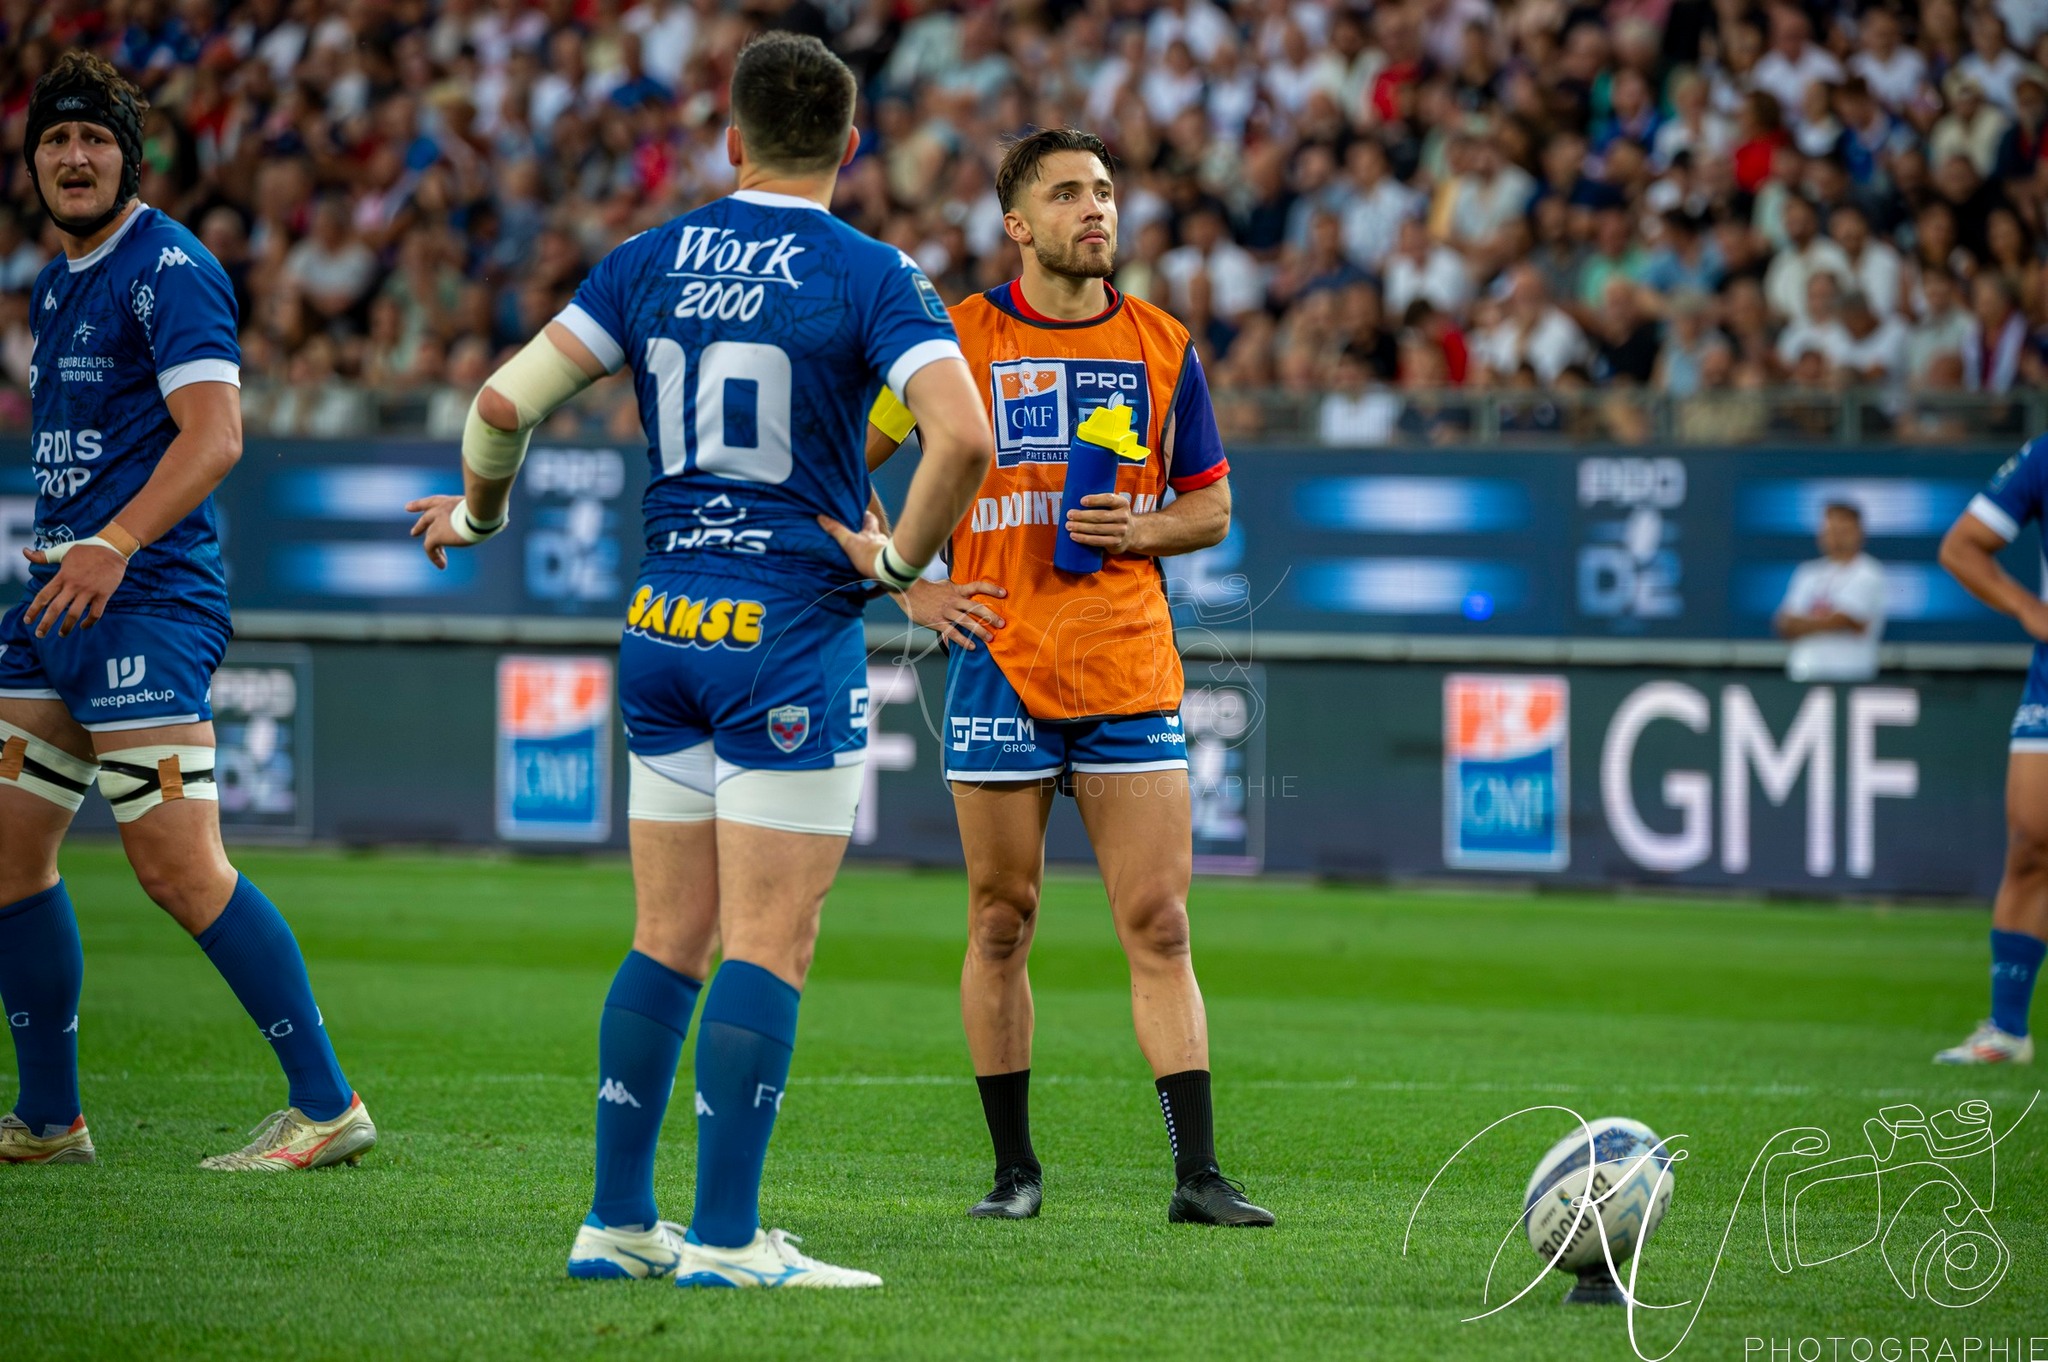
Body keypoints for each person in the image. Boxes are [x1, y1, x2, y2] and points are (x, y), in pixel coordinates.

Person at [408, 33, 991, 1285]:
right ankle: (726, 1241)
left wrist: (475, 519)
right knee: (766, 943)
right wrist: (896, 572)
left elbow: (500, 407)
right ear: (850, 143)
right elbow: (962, 441)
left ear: (727, 140)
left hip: (663, 627)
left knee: (665, 934)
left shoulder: (644, 259)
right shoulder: (874, 271)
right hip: (784, 634)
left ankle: (616, 1222)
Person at [865, 128, 1273, 1228]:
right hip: (997, 666)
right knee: (1001, 921)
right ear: (1016, 224)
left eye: (1102, 190)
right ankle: (1013, 1174)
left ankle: (1196, 1177)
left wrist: (1140, 526)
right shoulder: (950, 342)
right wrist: (905, 584)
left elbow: (1213, 505)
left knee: (1161, 923)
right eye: (1065, 194)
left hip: (1127, 670)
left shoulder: (1162, 344)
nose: (1093, 209)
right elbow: (839, 462)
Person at [0, 53, 374, 1170]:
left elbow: (215, 437)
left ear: (131, 157)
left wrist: (116, 543)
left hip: (146, 598)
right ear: (32, 162)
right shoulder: (56, 279)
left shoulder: (171, 267)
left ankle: (326, 1107)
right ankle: (51, 1119)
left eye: (95, 141)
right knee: (9, 856)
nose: (74, 158)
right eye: (55, 141)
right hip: (59, 600)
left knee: (176, 868)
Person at [1934, 438, 2048, 1063]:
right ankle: (2008, 1030)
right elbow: (1961, 546)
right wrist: (2028, 608)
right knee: (2032, 838)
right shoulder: (2045, 457)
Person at [1774, 502, 1888, 682]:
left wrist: (1804, 623)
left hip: (1848, 678)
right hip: (1804, 676)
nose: (1836, 537)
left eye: (1842, 530)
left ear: (1859, 533)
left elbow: (1842, 621)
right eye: (1830, 530)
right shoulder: (1807, 572)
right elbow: (1784, 623)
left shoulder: (1869, 573)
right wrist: (1824, 620)